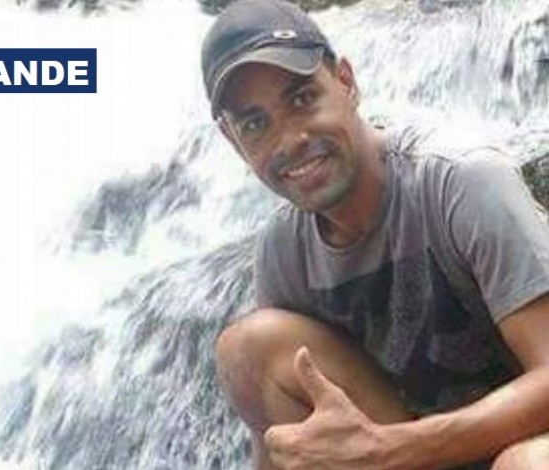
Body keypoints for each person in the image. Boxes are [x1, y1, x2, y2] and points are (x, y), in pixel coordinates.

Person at [200, 1, 549, 469]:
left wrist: (393, 450)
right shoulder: (284, 253)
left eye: (302, 99)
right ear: (232, 140)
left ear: (346, 82)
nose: (290, 140)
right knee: (249, 348)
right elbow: (282, 446)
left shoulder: (460, 181)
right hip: (415, 453)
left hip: (526, 443)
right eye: (255, 124)